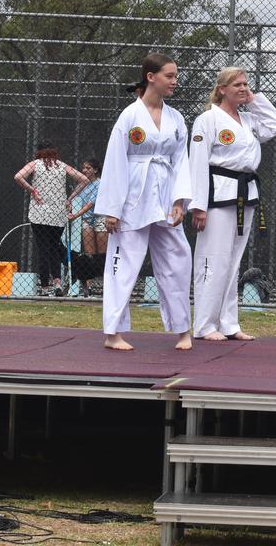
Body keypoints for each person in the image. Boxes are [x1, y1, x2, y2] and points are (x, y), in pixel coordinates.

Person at [95, 53, 194, 351]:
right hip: (132, 201)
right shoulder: (129, 116)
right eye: (170, 75)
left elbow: (181, 162)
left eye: (175, 75)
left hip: (165, 198)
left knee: (178, 260)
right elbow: (115, 162)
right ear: (151, 77)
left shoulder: (176, 119)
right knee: (123, 265)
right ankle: (113, 333)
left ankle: (182, 329)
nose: (175, 81)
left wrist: (180, 202)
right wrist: (112, 209)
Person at [189, 67, 276, 341]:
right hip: (217, 196)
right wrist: (198, 204)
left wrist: (254, 100)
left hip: (246, 194)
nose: (244, 88)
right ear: (222, 89)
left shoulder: (248, 120)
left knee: (233, 261)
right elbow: (196, 162)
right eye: (238, 85)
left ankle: (229, 323)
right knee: (212, 260)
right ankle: (205, 325)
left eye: (246, 84)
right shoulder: (207, 120)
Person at [14, 143, 89, 296]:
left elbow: (18, 176)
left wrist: (32, 190)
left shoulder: (35, 164)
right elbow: (84, 180)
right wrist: (70, 198)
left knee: (43, 249)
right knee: (54, 248)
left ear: (39, 152)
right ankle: (58, 284)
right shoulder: (62, 166)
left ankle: (44, 287)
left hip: (39, 212)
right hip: (57, 213)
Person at [68, 158, 107, 296]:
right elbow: (75, 199)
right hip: (86, 219)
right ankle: (88, 287)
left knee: (102, 254)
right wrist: (70, 204)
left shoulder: (101, 183)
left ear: (95, 170)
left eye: (88, 168)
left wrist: (76, 214)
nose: (84, 170)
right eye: (83, 168)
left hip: (100, 217)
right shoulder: (82, 183)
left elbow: (91, 203)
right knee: (89, 253)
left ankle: (106, 285)